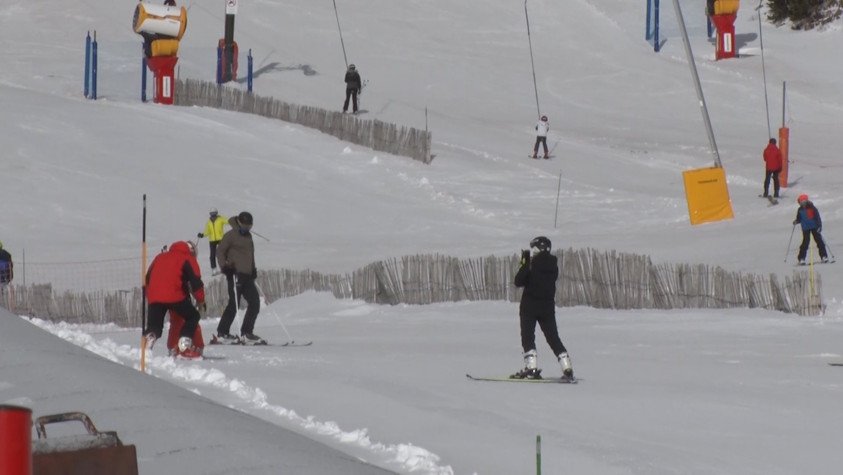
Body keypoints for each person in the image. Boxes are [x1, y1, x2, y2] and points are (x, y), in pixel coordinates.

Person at [511, 236, 573, 380]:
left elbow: (518, 281)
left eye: (534, 248)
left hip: (529, 306)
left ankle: (531, 367)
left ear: (539, 248)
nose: (532, 251)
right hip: (547, 307)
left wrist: (524, 263)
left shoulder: (532, 264)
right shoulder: (554, 266)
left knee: (528, 336)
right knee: (553, 338)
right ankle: (567, 367)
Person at [144, 240, 206, 358]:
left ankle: (148, 343)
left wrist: (151, 296)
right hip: (175, 296)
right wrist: (201, 300)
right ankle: (184, 345)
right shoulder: (187, 258)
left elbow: (147, 278)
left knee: (154, 327)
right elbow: (196, 283)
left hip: (155, 296)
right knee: (193, 316)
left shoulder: (160, 257)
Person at [215, 211, 264, 344]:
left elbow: (250, 255)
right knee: (234, 304)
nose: (247, 229)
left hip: (247, 276)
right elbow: (220, 251)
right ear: (239, 223)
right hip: (235, 274)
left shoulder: (248, 237)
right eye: (245, 226)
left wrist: (253, 269)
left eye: (249, 227)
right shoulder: (230, 235)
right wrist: (225, 267)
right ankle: (222, 333)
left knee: (255, 303)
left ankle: (246, 333)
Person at [165, 241, 206, 358]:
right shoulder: (187, 261)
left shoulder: (172, 259)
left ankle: (174, 347)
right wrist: (200, 300)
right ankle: (194, 347)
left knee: (177, 321)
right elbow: (195, 284)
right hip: (178, 296)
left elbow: (191, 284)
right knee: (190, 320)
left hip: (171, 295)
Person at [793, 194, 829, 265]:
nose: (802, 204)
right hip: (805, 228)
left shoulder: (812, 208)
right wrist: (796, 221)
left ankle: (824, 256)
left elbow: (817, 217)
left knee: (819, 241)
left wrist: (819, 226)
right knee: (805, 243)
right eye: (800, 202)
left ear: (806, 201)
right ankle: (801, 258)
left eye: (803, 202)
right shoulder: (800, 210)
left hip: (814, 227)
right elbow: (799, 218)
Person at [197, 208, 228, 275]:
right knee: (212, 255)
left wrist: (236, 222)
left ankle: (224, 267)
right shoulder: (208, 222)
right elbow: (207, 231)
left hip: (220, 239)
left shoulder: (220, 219)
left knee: (222, 254)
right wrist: (202, 235)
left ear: (216, 213)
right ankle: (214, 269)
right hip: (212, 240)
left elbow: (228, 221)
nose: (213, 215)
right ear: (210, 214)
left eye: (214, 213)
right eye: (212, 214)